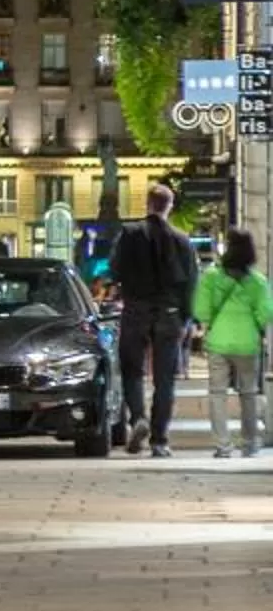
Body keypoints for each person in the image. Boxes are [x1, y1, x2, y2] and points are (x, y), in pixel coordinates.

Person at [109, 183, 203, 457]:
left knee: (132, 371)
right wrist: (187, 318)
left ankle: (138, 417)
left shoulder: (129, 233)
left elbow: (115, 269)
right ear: (169, 207)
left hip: (136, 310)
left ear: (147, 204)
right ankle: (160, 440)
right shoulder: (183, 240)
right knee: (165, 380)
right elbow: (191, 284)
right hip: (169, 313)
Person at [193, 228, 273, 459]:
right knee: (248, 393)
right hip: (248, 343)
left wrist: (209, 324)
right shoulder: (257, 281)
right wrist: (253, 324)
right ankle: (249, 443)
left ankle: (223, 445)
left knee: (217, 393)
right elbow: (266, 312)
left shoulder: (211, 276)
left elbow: (200, 309)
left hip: (218, 341)